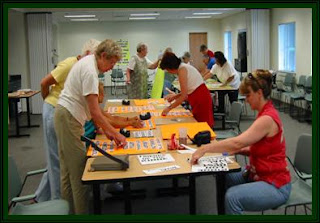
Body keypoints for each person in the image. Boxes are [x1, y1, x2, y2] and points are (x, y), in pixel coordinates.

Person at [191, 69, 291, 215]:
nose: (247, 99)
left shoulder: (266, 119)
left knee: (232, 197)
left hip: (276, 185)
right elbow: (259, 148)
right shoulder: (265, 113)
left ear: (259, 93)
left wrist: (204, 148)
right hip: (258, 174)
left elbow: (238, 142)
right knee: (225, 176)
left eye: (248, 95)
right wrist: (238, 151)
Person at [54, 39, 127, 214]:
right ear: (103, 56)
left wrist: (107, 131)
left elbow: (92, 110)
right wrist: (115, 134)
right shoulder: (90, 72)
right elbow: (95, 112)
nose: (111, 67)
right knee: (80, 174)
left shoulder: (87, 64)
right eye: (111, 62)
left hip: (64, 115)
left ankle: (69, 211)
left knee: (67, 172)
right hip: (69, 118)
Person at [35, 39, 100, 203]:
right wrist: (49, 101)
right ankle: (56, 201)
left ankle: (42, 197)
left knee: (61, 157)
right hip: (56, 109)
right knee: (56, 158)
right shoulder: (70, 64)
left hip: (68, 112)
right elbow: (44, 83)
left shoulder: (84, 68)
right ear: (87, 54)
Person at [159, 52, 214, 128]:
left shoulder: (182, 70)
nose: (169, 72)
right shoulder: (182, 68)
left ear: (171, 67)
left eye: (168, 70)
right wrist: (175, 96)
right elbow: (186, 91)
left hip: (201, 98)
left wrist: (169, 108)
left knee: (203, 126)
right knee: (198, 124)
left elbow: (184, 96)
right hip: (197, 96)